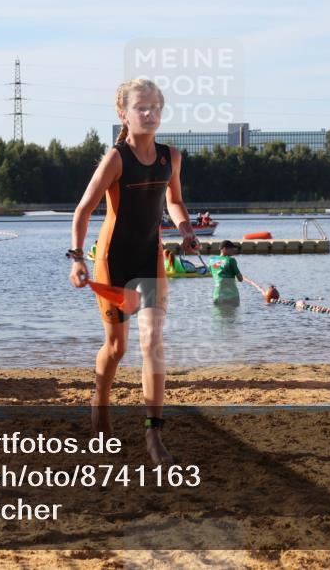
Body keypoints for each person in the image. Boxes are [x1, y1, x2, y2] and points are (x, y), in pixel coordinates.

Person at [69, 78, 198, 466]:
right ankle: (100, 404)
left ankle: (153, 434)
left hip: (149, 259)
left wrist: (186, 229)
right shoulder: (116, 159)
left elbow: (174, 200)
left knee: (153, 342)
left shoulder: (171, 157)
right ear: (123, 113)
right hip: (113, 262)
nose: (150, 114)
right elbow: (83, 211)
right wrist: (77, 258)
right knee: (117, 347)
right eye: (142, 108)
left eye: (155, 107)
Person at [209, 240, 243, 307]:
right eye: (231, 248)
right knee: (233, 313)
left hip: (217, 296)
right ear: (224, 249)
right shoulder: (231, 260)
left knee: (218, 313)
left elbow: (212, 273)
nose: (233, 250)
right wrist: (238, 274)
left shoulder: (212, 260)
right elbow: (240, 279)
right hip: (231, 296)